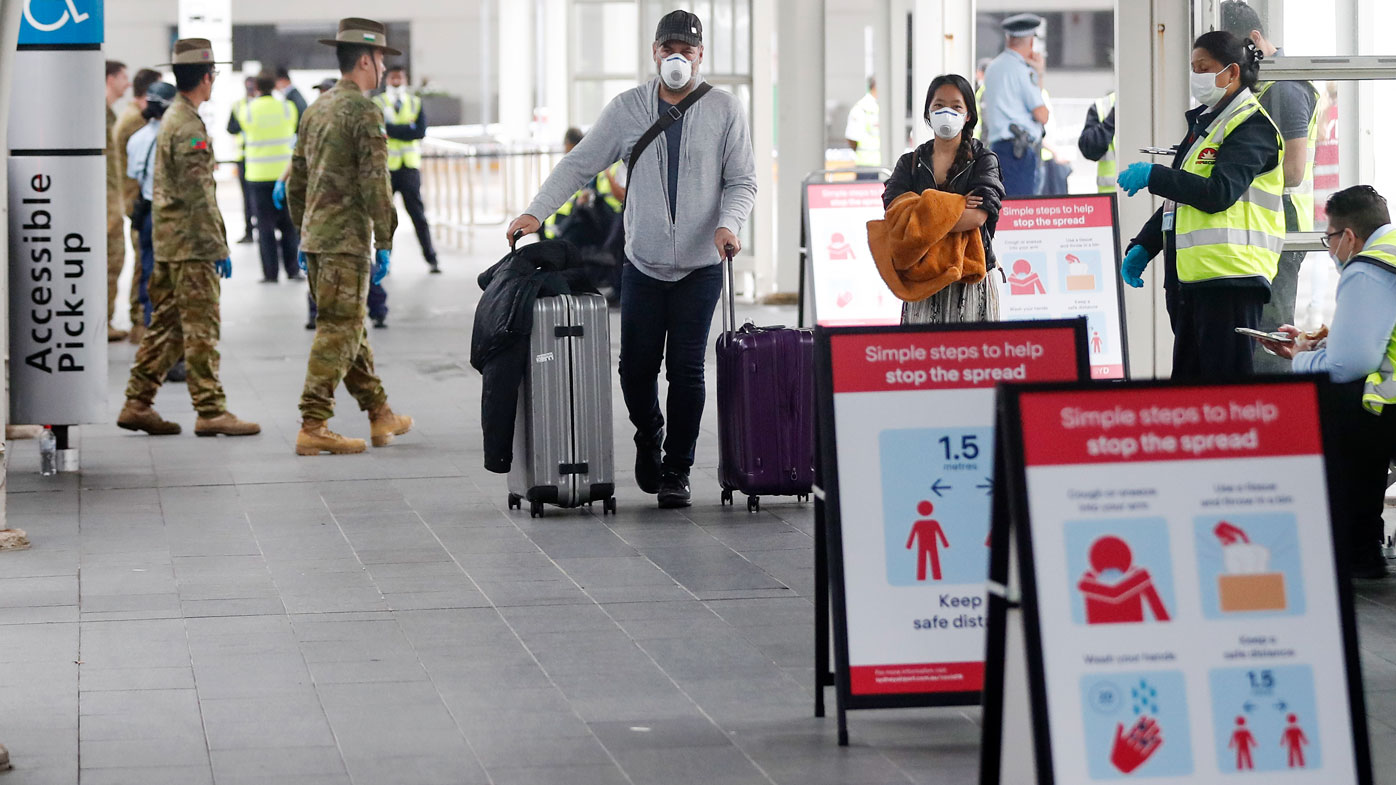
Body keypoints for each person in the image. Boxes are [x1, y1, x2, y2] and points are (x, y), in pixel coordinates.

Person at [506, 9, 757, 508]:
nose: (677, 59)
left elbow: (742, 181)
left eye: (687, 51)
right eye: (669, 50)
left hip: (702, 265)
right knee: (636, 369)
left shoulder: (725, 109)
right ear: (655, 54)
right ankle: (650, 434)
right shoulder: (627, 109)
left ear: (701, 55)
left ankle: (678, 469)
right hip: (641, 263)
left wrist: (730, 224)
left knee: (686, 369)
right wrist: (536, 212)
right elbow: (580, 164)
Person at [1117, 31, 1284, 379]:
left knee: (1226, 397)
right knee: (1191, 397)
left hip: (1231, 281)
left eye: (1204, 67)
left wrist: (1155, 175)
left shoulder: (1252, 127)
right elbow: (1180, 200)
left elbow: (1218, 193)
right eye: (1193, 67)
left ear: (1232, 72)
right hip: (1192, 282)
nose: (1196, 76)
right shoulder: (1206, 125)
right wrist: (1144, 246)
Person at [116, 39, 260, 438]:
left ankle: (137, 402)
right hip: (191, 245)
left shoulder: (173, 119)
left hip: (169, 241)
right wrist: (218, 246)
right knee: (201, 327)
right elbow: (199, 194)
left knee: (168, 326)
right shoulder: (189, 125)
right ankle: (211, 410)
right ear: (207, 77)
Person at [287, 17, 413, 456]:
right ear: (365, 60)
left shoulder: (315, 109)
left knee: (349, 327)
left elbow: (295, 180)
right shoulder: (363, 110)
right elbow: (376, 181)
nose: (382, 68)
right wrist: (385, 239)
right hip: (346, 241)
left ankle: (380, 414)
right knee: (337, 331)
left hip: (318, 239)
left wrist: (303, 231)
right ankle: (313, 421)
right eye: (380, 59)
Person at [1258, 186, 1396, 579]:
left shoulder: (1369, 268)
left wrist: (1300, 359)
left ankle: (1357, 547)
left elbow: (1347, 365)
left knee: (1340, 402)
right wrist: (1318, 342)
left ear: (1348, 237)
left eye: (1330, 237)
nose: (1330, 247)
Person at [1221, 1, 1319, 373]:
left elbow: (1292, 171)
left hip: (1283, 222)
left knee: (1270, 335)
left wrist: (1233, 171)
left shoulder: (1285, 88)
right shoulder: (1263, 85)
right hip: (1266, 220)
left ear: (1255, 40)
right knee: (1256, 331)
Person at [881, 73, 1004, 323]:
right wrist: (957, 205)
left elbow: (978, 217)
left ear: (968, 114)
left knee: (974, 358)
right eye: (938, 105)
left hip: (970, 280)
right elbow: (896, 217)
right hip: (922, 279)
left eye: (956, 106)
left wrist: (922, 211)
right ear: (928, 112)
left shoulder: (983, 160)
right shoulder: (910, 163)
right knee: (921, 358)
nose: (946, 112)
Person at [298, 78, 389, 330]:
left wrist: (383, 239)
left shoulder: (349, 117)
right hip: (328, 225)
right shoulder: (317, 118)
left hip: (342, 227)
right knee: (341, 326)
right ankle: (315, 313)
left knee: (344, 323)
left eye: (325, 91)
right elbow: (297, 170)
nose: (324, 97)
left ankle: (378, 309)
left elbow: (375, 182)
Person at [374, 65, 440, 274]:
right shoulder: (378, 102)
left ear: (405, 79)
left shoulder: (414, 102)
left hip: (409, 167)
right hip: (388, 168)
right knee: (384, 218)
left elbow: (420, 131)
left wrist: (393, 131)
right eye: (393, 77)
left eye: (399, 77)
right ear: (387, 79)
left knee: (418, 216)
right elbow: (379, 130)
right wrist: (405, 130)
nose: (396, 80)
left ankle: (431, 258)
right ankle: (384, 261)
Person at [114, 68, 164, 344]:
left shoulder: (131, 117)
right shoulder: (137, 122)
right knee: (144, 265)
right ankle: (140, 321)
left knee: (143, 263)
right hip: (140, 204)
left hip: (136, 202)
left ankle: (141, 319)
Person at [238, 70, 301, 282]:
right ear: (275, 85)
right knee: (289, 225)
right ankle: (292, 270)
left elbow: (241, 129)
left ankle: (270, 273)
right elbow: (293, 129)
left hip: (257, 176)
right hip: (284, 175)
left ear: (256, 87)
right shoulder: (287, 108)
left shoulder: (247, 109)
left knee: (264, 228)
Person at [125, 81, 177, 338]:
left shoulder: (136, 139)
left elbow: (133, 174)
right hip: (169, 214)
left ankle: (149, 323)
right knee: (171, 276)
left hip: (146, 213)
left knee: (148, 268)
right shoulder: (171, 137)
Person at [981, 13, 1049, 196]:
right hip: (1018, 153)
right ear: (1031, 43)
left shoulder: (993, 68)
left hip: (998, 149)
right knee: (1023, 212)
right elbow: (1042, 115)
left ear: (1008, 38)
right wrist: (1039, 73)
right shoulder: (1021, 70)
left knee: (1005, 208)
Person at [105, 60, 132, 342]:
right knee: (109, 265)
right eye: (123, 76)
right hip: (106, 208)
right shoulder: (100, 114)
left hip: (113, 203)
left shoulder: (110, 114)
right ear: (110, 78)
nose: (128, 82)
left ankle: (106, 319)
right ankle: (103, 321)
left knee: (115, 265)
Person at [228, 77, 257, 244]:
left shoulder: (261, 106)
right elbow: (230, 128)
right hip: (244, 156)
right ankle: (249, 231)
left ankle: (259, 230)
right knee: (247, 198)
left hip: (259, 158)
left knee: (256, 199)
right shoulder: (238, 105)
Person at [1079, 91, 1117, 193]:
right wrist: (1112, 119)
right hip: (1111, 197)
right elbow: (1089, 150)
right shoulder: (1103, 106)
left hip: (1150, 195)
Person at [845, 76, 880, 169]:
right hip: (866, 165)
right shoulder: (861, 108)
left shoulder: (882, 106)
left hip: (884, 164)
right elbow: (851, 138)